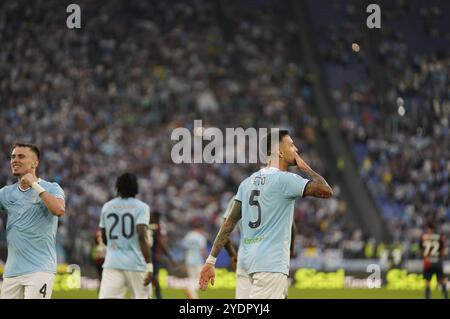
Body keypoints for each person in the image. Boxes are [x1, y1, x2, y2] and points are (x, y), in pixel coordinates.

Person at [199, 130, 333, 298]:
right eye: (291, 145)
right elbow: (326, 191)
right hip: (270, 265)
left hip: (246, 263)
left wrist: (211, 260)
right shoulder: (286, 180)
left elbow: (228, 224)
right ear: (279, 151)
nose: (296, 149)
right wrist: (305, 167)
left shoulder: (247, 183)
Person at [0, 143, 65, 299]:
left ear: (35, 163)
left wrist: (34, 185)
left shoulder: (51, 188)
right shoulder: (6, 193)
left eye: (21, 156)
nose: (15, 160)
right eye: (13, 156)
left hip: (39, 269)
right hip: (12, 272)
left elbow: (59, 210)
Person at [98, 173, 153, 299]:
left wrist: (114, 247)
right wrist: (149, 265)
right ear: (136, 187)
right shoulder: (142, 207)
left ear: (118, 187)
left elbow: (104, 237)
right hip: (136, 263)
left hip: (112, 262)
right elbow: (141, 236)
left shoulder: (107, 207)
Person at [149, 211, 175, 299]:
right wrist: (170, 257)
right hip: (153, 256)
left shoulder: (145, 225)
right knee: (153, 277)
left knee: (150, 277)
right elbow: (161, 242)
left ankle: (153, 295)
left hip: (145, 256)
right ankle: (158, 296)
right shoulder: (157, 227)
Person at [420, 221, 448, 299]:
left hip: (428, 262)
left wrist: (424, 257)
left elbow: (421, 251)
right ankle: (446, 296)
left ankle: (427, 298)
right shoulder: (439, 237)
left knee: (427, 282)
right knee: (442, 281)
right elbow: (443, 251)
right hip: (437, 262)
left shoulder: (423, 237)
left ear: (429, 229)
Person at [182, 219, 207, 299]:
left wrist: (184, 262)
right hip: (198, 261)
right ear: (201, 228)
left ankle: (193, 297)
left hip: (189, 261)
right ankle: (190, 289)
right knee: (201, 281)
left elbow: (185, 249)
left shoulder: (188, 236)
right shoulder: (201, 237)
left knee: (192, 279)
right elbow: (202, 251)